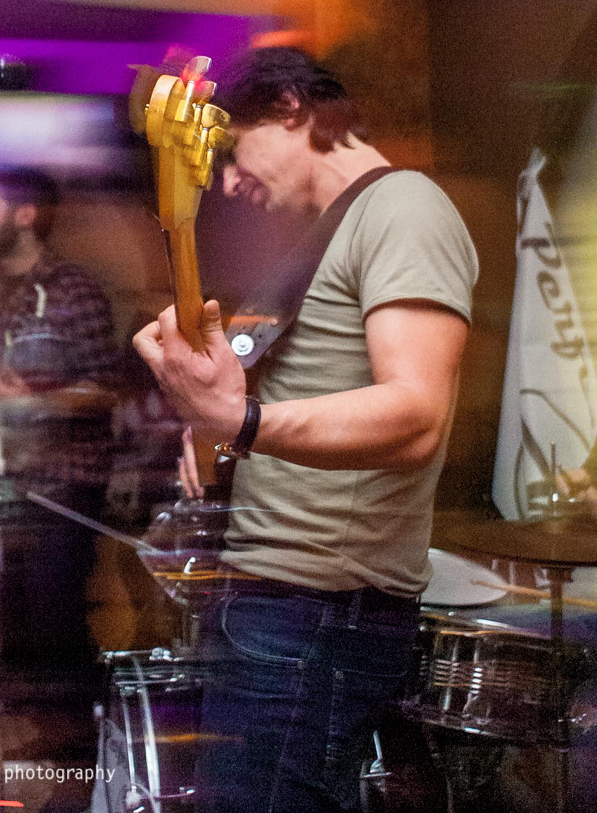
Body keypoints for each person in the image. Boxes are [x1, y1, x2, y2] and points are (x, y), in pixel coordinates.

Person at [133, 47, 479, 813]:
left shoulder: (405, 207)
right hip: (281, 605)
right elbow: (293, 398)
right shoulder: (329, 231)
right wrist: (215, 422)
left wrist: (242, 421)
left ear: (290, 108)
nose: (228, 181)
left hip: (317, 612)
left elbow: (415, 413)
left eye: (233, 151)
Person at [0, 167, 118, 724]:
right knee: (23, 617)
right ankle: (45, 730)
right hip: (12, 476)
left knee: (57, 617)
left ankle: (90, 740)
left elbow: (106, 388)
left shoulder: (73, 289)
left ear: (25, 216)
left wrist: (36, 403)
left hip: (67, 480)